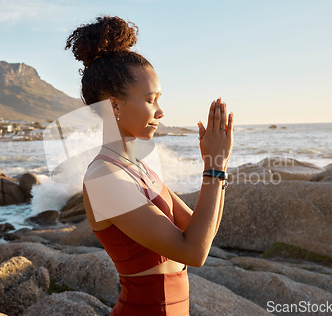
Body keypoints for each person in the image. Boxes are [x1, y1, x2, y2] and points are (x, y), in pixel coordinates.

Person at [65, 16, 233, 315]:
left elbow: (199, 230)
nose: (160, 111)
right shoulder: (104, 177)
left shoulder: (137, 167)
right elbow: (194, 253)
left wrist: (218, 162)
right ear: (114, 105)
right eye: (150, 100)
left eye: (159, 99)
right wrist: (213, 166)